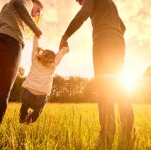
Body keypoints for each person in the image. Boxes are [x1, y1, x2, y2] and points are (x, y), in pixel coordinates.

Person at [59, 0, 134, 145]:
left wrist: (65, 36)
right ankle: (127, 133)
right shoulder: (109, 3)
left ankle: (107, 134)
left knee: (104, 88)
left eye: (79, 1)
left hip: (103, 40)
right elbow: (123, 27)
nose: (80, 3)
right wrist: (114, 33)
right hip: (118, 41)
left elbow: (83, 15)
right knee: (120, 86)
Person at [0, 0, 43, 147]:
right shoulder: (25, 2)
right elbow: (19, 4)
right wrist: (36, 28)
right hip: (10, 43)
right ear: (34, 3)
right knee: (2, 94)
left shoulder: (6, 9)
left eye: (38, 13)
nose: (36, 13)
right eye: (38, 9)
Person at [19, 36, 69, 125]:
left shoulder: (35, 59)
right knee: (38, 110)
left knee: (24, 105)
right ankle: (31, 120)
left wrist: (36, 36)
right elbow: (60, 53)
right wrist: (65, 48)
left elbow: (35, 46)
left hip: (27, 94)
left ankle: (22, 117)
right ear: (53, 59)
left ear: (42, 54)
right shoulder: (53, 65)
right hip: (40, 98)